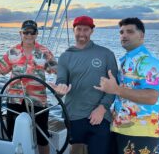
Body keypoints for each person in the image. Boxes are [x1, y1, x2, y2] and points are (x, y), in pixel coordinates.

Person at [0, 20, 56, 154]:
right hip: (14, 100)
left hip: (38, 101)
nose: (29, 35)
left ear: (37, 34)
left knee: (42, 138)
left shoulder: (44, 52)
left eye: (32, 32)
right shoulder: (12, 52)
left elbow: (56, 70)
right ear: (20, 33)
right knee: (13, 136)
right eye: (25, 32)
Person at [94, 17, 159, 154]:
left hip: (141, 131)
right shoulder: (128, 60)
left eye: (130, 31)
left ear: (141, 35)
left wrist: (116, 89)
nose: (124, 35)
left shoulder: (149, 61)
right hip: (121, 126)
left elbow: (151, 97)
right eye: (121, 32)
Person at [51, 15, 118, 154]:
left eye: (86, 30)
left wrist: (102, 108)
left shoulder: (106, 54)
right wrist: (60, 89)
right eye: (79, 29)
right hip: (73, 115)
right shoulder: (65, 56)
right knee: (75, 150)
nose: (82, 33)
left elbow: (114, 87)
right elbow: (61, 79)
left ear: (92, 31)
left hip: (100, 116)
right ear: (73, 30)